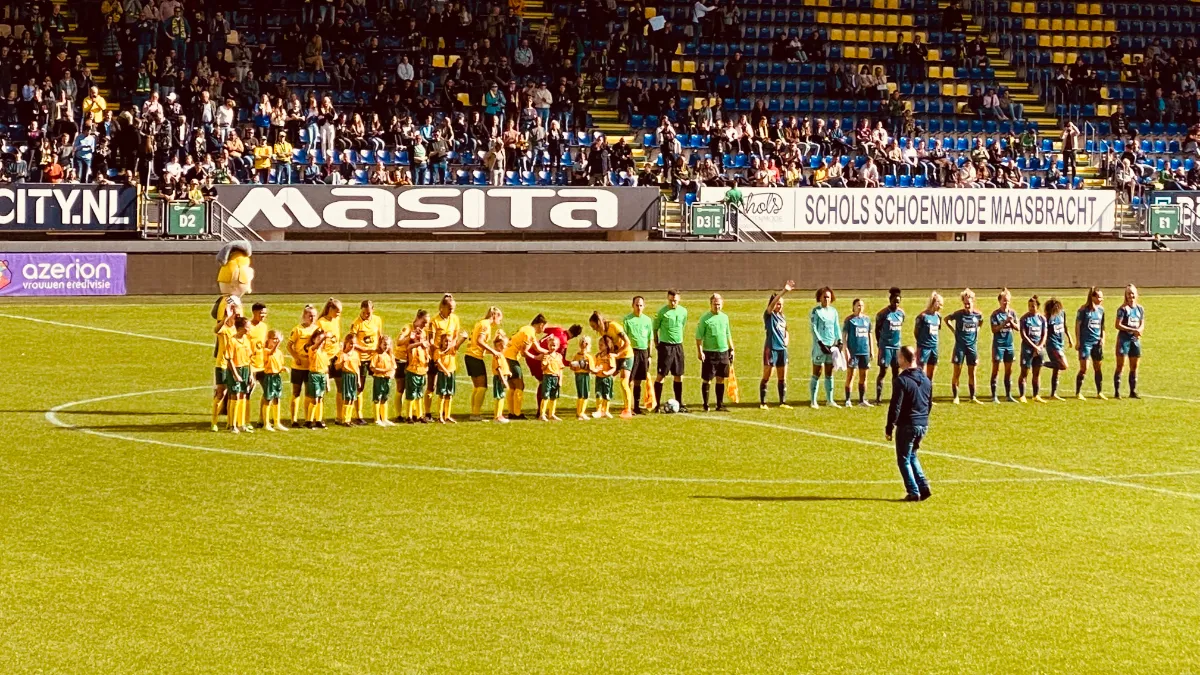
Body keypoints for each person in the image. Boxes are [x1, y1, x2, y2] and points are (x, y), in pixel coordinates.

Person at [885, 346, 933, 502]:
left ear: (904, 359)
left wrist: (889, 426)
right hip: (922, 423)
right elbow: (929, 402)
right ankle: (923, 486)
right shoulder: (925, 379)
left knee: (903, 459)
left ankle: (913, 491)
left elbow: (895, 406)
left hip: (908, 424)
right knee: (912, 455)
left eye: (899, 357)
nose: (897, 360)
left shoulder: (902, 380)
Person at [426, 294, 465, 421]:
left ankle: (444, 414)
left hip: (449, 358)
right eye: (449, 308)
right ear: (442, 307)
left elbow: (454, 337)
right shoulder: (434, 321)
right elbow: (430, 340)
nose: (451, 311)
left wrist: (451, 347)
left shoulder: (454, 319)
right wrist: (439, 350)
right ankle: (427, 413)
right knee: (432, 386)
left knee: (447, 388)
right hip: (436, 356)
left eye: (453, 308)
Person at [590, 312, 635, 419]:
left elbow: (627, 342)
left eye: (593, 326)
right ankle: (603, 409)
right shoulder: (602, 331)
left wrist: (618, 354)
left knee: (624, 381)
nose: (593, 329)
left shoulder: (614, 326)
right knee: (606, 379)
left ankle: (627, 410)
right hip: (614, 357)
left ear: (598, 322)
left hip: (626, 355)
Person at [758, 281, 795, 409]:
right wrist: (784, 291)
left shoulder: (782, 317)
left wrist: (787, 339)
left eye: (781, 304)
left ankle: (782, 402)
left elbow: (786, 330)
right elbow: (772, 304)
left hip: (782, 350)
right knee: (767, 375)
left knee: (782, 376)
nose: (779, 306)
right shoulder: (769, 315)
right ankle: (763, 402)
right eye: (777, 304)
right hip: (771, 348)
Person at [502, 314, 548, 419]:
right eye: (544, 327)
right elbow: (524, 352)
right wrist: (536, 358)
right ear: (541, 325)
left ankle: (512, 412)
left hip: (506, 356)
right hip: (510, 358)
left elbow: (538, 348)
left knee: (513, 386)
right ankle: (517, 414)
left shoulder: (526, 329)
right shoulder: (529, 332)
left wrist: (550, 352)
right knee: (520, 385)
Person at [695, 293, 735, 412]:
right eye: (714, 304)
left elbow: (728, 333)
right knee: (707, 379)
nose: (717, 306)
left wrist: (732, 348)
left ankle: (719, 404)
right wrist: (700, 351)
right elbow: (698, 337)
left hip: (723, 352)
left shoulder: (725, 317)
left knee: (721, 378)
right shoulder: (705, 319)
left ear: (722, 304)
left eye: (719, 304)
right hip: (709, 353)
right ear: (710, 304)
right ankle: (706, 404)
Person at [944, 289, 984, 404]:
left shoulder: (978, 314)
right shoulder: (958, 314)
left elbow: (981, 322)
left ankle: (973, 397)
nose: (967, 304)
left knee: (972, 373)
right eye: (965, 302)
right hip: (960, 347)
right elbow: (946, 319)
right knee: (957, 372)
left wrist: (978, 330)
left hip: (972, 347)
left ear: (973, 301)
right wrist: (953, 331)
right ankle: (956, 396)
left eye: (969, 302)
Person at [465, 307, 504, 420]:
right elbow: (479, 341)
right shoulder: (486, 325)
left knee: (477, 387)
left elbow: (477, 343)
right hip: (475, 357)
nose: (499, 322)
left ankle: (474, 413)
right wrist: (493, 351)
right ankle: (476, 414)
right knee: (482, 387)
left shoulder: (481, 323)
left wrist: (492, 352)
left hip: (469, 356)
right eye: (499, 319)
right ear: (494, 315)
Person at [653, 290, 689, 412]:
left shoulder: (683, 311)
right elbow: (655, 328)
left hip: (678, 346)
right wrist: (657, 343)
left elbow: (682, 325)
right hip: (665, 347)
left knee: (678, 375)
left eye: (675, 300)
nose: (673, 302)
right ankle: (656, 404)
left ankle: (679, 402)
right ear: (667, 299)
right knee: (661, 375)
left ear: (679, 300)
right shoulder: (662, 312)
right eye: (671, 300)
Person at [349, 299, 383, 424]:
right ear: (361, 310)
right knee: (360, 386)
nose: (366, 315)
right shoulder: (356, 323)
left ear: (373, 310)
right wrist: (365, 349)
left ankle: (379, 413)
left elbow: (380, 336)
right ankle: (359, 415)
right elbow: (351, 342)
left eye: (369, 312)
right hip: (362, 358)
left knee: (380, 382)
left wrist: (380, 350)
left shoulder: (377, 320)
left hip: (373, 357)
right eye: (364, 312)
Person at [211, 297, 242, 431]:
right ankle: (214, 422)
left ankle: (232, 423)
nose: (237, 316)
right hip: (222, 364)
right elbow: (216, 330)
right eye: (235, 314)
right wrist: (225, 318)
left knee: (234, 393)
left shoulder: (239, 329)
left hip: (236, 365)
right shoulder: (224, 327)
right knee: (221, 393)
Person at [393, 309, 429, 421]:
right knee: (401, 388)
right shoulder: (408, 328)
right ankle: (399, 415)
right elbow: (399, 342)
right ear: (417, 319)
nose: (425, 325)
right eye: (423, 322)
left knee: (415, 389)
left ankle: (415, 414)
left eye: (427, 323)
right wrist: (411, 337)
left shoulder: (423, 331)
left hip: (415, 363)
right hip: (402, 360)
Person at [285, 304, 318, 426]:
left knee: (309, 393)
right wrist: (296, 357)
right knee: (296, 391)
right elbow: (289, 345)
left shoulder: (317, 329)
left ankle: (307, 418)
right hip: (298, 366)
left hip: (310, 366)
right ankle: (293, 419)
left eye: (314, 316)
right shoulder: (297, 329)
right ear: (304, 316)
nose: (312, 318)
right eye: (310, 316)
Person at [809, 287, 841, 408]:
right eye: (824, 297)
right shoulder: (816, 311)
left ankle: (830, 400)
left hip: (831, 346)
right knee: (817, 372)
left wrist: (839, 341)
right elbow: (814, 328)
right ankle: (813, 401)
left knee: (829, 372)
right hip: (820, 347)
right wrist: (821, 343)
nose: (826, 299)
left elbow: (836, 326)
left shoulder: (833, 311)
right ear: (819, 298)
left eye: (828, 297)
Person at [223, 316, 255, 433]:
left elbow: (249, 358)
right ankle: (232, 425)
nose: (249, 329)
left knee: (243, 396)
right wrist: (236, 374)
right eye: (247, 327)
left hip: (245, 369)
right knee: (234, 396)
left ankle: (240, 423)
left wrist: (251, 374)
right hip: (235, 370)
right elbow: (229, 359)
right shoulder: (232, 341)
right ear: (241, 328)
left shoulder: (247, 340)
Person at [623, 297, 655, 414]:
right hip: (632, 352)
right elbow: (624, 338)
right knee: (630, 380)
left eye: (641, 305)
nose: (639, 307)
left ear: (644, 306)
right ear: (632, 305)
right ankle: (628, 406)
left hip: (643, 352)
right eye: (637, 305)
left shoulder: (647, 320)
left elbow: (649, 339)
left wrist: (649, 355)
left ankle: (636, 406)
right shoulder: (627, 319)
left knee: (638, 380)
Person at [1113, 284, 1145, 399]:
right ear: (1125, 295)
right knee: (1120, 366)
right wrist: (1132, 330)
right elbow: (1117, 325)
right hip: (1124, 340)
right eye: (1128, 293)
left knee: (1134, 366)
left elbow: (1142, 323)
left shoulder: (1140, 308)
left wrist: (1140, 330)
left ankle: (1133, 391)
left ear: (1136, 294)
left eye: (1132, 293)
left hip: (1135, 340)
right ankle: (1117, 392)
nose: (1131, 296)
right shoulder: (1122, 309)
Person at [1075, 286, 1107, 400]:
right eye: (1099, 297)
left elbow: (1102, 326)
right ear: (1092, 297)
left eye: (1102, 297)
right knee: (1084, 368)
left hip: (1096, 343)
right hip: (1085, 343)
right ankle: (1078, 392)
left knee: (1098, 367)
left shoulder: (1101, 310)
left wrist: (1103, 338)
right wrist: (1078, 341)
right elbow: (1078, 325)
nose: (1101, 299)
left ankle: (1099, 392)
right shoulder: (1083, 310)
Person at [874, 287, 905, 403]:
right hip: (885, 347)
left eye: (898, 301)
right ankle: (878, 397)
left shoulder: (901, 314)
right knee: (883, 371)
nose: (896, 304)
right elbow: (877, 330)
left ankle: (895, 397)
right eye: (894, 301)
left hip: (896, 347)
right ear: (890, 300)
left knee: (896, 372)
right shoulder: (882, 314)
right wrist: (880, 343)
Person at [841, 298, 873, 407]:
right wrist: (846, 350)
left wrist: (871, 350)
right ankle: (848, 399)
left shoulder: (867, 320)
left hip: (864, 352)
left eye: (862, 305)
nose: (860, 307)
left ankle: (861, 400)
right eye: (858, 305)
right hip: (853, 352)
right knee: (851, 375)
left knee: (864, 376)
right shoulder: (849, 320)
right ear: (853, 306)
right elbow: (844, 336)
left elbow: (869, 335)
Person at [989, 289, 1019, 403]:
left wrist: (1011, 323)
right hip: (998, 345)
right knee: (996, 370)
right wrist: (1004, 323)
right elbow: (994, 329)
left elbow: (1018, 328)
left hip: (1009, 345)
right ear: (999, 301)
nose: (1006, 303)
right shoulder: (995, 314)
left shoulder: (1013, 313)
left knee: (1009, 370)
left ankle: (1008, 395)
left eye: (1008, 301)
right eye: (1004, 301)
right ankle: (994, 396)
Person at [315, 298, 344, 420]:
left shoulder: (336, 320)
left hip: (336, 357)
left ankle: (340, 416)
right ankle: (318, 417)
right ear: (330, 309)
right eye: (337, 311)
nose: (338, 314)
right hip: (324, 358)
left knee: (341, 387)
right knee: (323, 389)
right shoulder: (321, 322)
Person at [1043, 297, 1074, 400]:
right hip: (1052, 345)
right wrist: (1042, 344)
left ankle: (1053, 393)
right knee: (1064, 365)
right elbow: (1044, 331)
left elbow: (1065, 326)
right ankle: (1041, 363)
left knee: (1057, 369)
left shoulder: (1062, 313)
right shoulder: (1048, 318)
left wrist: (1070, 338)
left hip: (1060, 344)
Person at [1018, 295, 1048, 403]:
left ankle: (1036, 395)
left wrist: (1040, 346)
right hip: (1028, 349)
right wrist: (1034, 346)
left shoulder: (1042, 319)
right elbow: (1023, 335)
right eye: (1029, 306)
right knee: (1024, 372)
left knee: (1037, 373)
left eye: (1033, 306)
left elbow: (1044, 334)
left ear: (1038, 306)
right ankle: (1022, 395)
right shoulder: (1024, 318)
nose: (1031, 308)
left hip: (1039, 350)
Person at [259, 330, 287, 432]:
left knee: (277, 398)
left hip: (277, 376)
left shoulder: (279, 352)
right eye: (274, 339)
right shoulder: (265, 350)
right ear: (268, 339)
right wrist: (279, 343)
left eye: (277, 339)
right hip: (269, 376)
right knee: (268, 399)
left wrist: (282, 368)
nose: (276, 341)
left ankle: (277, 422)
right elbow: (271, 353)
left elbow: (279, 363)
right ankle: (266, 423)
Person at [303, 329, 331, 429]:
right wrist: (324, 337)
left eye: (322, 339)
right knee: (314, 399)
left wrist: (328, 383)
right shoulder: (312, 349)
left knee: (320, 398)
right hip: (314, 375)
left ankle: (318, 420)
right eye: (319, 338)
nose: (321, 341)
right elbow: (316, 346)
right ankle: (309, 420)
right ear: (314, 339)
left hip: (322, 376)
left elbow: (326, 369)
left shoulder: (324, 353)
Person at [403, 326, 431, 423]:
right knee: (411, 395)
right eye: (418, 337)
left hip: (422, 372)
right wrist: (418, 342)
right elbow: (409, 347)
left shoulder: (424, 349)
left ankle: (419, 415)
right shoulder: (412, 347)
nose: (420, 339)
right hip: (413, 372)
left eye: (421, 337)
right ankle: (409, 416)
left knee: (419, 394)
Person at [369, 336, 398, 426]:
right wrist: (383, 371)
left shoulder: (390, 355)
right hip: (379, 378)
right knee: (377, 397)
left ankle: (384, 418)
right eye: (384, 344)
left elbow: (394, 367)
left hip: (387, 379)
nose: (386, 346)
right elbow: (372, 367)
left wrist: (392, 374)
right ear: (380, 344)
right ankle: (377, 419)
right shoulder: (377, 355)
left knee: (385, 397)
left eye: (388, 344)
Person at [914, 292, 943, 382]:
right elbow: (916, 332)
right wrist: (922, 343)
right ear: (933, 302)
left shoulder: (938, 316)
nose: (940, 307)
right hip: (923, 348)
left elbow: (937, 330)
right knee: (921, 372)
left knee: (931, 373)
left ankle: (929, 393)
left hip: (934, 348)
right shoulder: (922, 316)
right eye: (939, 303)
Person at [334, 334, 361, 426]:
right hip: (346, 376)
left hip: (354, 377)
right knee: (347, 398)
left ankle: (348, 419)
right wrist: (342, 362)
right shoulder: (342, 355)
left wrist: (358, 380)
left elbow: (357, 368)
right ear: (346, 343)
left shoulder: (356, 354)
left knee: (352, 398)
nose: (352, 346)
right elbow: (337, 367)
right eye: (350, 343)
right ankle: (344, 419)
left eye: (354, 344)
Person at [432, 333, 459, 424]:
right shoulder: (438, 351)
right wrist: (445, 371)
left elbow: (458, 345)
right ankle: (440, 416)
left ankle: (447, 416)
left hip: (451, 373)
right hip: (443, 374)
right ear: (442, 342)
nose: (447, 343)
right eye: (446, 341)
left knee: (449, 394)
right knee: (442, 394)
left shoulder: (452, 350)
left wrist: (464, 338)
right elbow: (438, 362)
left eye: (449, 341)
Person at [538, 336, 565, 421]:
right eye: (551, 345)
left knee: (554, 396)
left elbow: (561, 368)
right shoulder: (546, 356)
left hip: (555, 377)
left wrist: (560, 380)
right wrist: (546, 363)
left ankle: (551, 414)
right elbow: (542, 367)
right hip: (547, 376)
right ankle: (542, 414)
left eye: (554, 345)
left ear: (557, 346)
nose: (552, 347)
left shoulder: (559, 356)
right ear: (548, 345)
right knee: (545, 395)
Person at [570, 336, 596, 420]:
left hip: (577, 376)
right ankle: (581, 413)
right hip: (584, 376)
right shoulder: (588, 357)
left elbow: (572, 366)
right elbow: (591, 369)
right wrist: (597, 370)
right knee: (585, 394)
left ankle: (578, 412)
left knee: (580, 394)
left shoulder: (576, 355)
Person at [593, 336, 618, 419]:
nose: (599, 346)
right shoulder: (597, 356)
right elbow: (594, 367)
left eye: (601, 345)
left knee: (607, 395)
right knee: (598, 394)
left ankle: (606, 411)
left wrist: (607, 372)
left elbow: (613, 368)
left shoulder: (610, 357)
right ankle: (598, 410)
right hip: (599, 378)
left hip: (607, 379)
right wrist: (595, 370)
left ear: (607, 346)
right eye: (599, 345)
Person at [490, 333, 512, 424]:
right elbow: (498, 368)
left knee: (501, 396)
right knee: (500, 396)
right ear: (499, 346)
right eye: (505, 345)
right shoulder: (497, 355)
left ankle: (499, 414)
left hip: (503, 377)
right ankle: (497, 416)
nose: (506, 347)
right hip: (500, 378)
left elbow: (503, 367)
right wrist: (503, 380)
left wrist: (508, 372)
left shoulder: (501, 355)